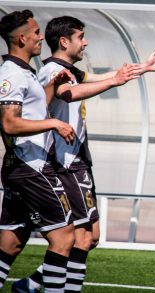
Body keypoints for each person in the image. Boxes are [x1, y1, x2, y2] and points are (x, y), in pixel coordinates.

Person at [12, 15, 155, 293]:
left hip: (77, 163)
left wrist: (142, 69)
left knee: (89, 237)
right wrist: (116, 82)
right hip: (65, 165)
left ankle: (32, 283)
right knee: (83, 238)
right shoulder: (53, 71)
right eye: (80, 37)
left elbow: (104, 76)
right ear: (64, 42)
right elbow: (67, 93)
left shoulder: (68, 68)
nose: (85, 42)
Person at [0, 10, 77, 292]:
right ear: (21, 38)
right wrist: (55, 122)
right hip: (30, 167)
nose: (40, 37)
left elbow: (33, 112)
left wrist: (52, 86)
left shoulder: (25, 72)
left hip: (24, 167)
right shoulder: (10, 74)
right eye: (35, 33)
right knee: (65, 238)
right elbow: (9, 123)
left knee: (12, 241)